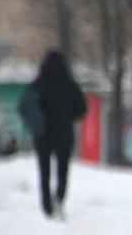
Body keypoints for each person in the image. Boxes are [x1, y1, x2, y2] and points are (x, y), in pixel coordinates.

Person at [20, 51, 86, 219]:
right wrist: (68, 116)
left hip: (43, 135)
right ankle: (59, 197)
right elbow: (82, 109)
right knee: (62, 170)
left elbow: (23, 106)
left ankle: (46, 206)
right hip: (64, 134)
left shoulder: (38, 85)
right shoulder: (70, 85)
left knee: (44, 171)